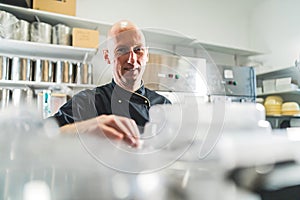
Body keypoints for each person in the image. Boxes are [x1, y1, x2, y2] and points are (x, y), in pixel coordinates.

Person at [51, 20, 171, 148]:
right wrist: (84, 128)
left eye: (138, 50)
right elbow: (40, 135)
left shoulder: (164, 104)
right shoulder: (87, 101)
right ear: (107, 56)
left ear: (146, 55)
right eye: (122, 50)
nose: (132, 60)